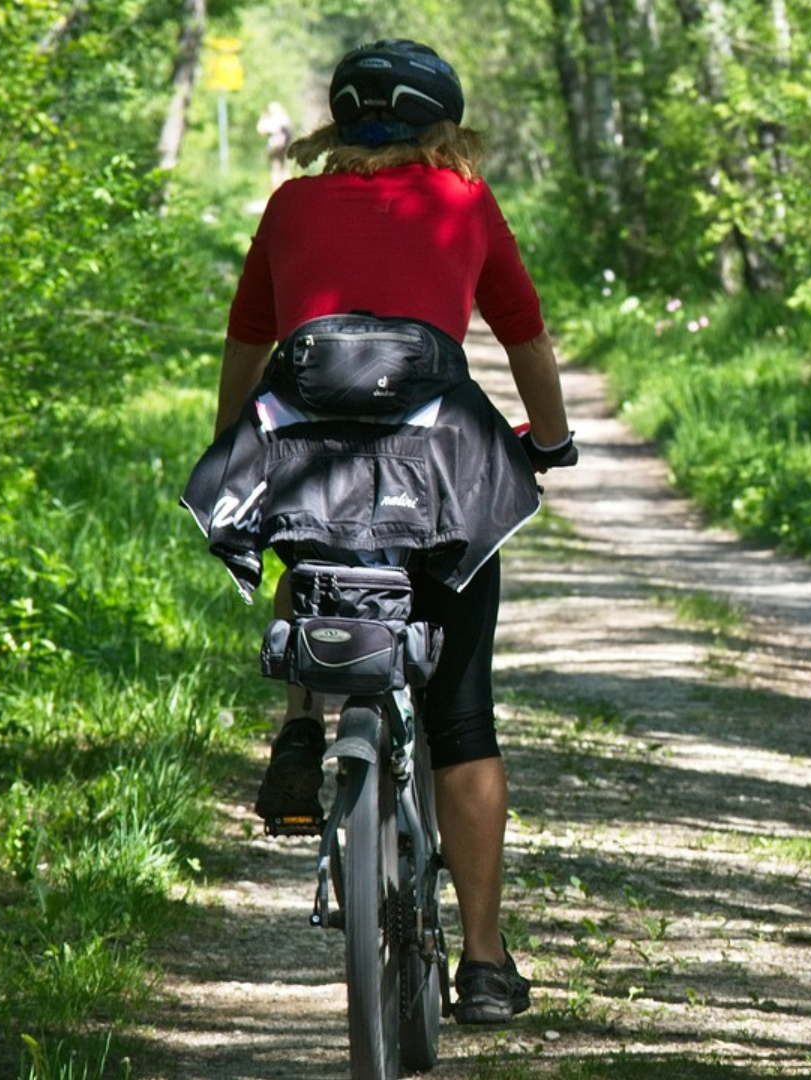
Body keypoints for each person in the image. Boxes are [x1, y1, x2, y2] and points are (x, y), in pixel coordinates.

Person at [204, 39, 576, 1025]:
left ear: (340, 122)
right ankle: (488, 964)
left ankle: (299, 723)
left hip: (309, 455)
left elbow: (249, 343)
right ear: (440, 126)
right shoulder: (461, 200)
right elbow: (524, 335)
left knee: (307, 531)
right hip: (437, 466)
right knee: (463, 717)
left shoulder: (289, 206)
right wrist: (556, 441)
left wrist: (232, 444)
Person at [255, 100, 292, 189]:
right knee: (278, 169)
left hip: (281, 147)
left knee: (281, 169)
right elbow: (260, 129)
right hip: (277, 148)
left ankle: (284, 189)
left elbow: (261, 129)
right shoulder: (281, 118)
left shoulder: (279, 118)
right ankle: (280, 190)